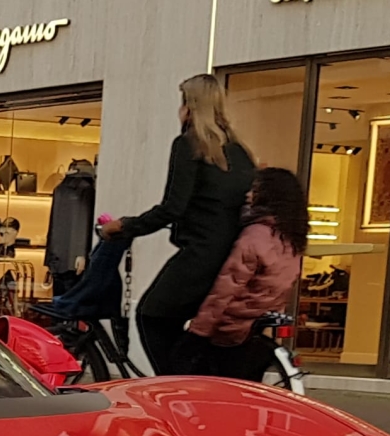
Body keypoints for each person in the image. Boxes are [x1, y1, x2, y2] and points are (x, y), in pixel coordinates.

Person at [98, 73, 257, 374]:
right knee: (193, 324)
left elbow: (173, 208)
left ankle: (176, 387)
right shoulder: (241, 152)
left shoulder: (190, 145)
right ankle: (194, 377)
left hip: (201, 255)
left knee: (151, 315)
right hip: (233, 256)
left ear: (189, 106)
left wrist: (125, 226)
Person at [168, 167, 309, 380]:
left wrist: (198, 331)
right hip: (257, 325)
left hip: (232, 326)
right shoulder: (291, 239)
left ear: (268, 196)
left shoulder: (255, 235)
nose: (248, 195)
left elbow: (226, 288)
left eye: (255, 190)